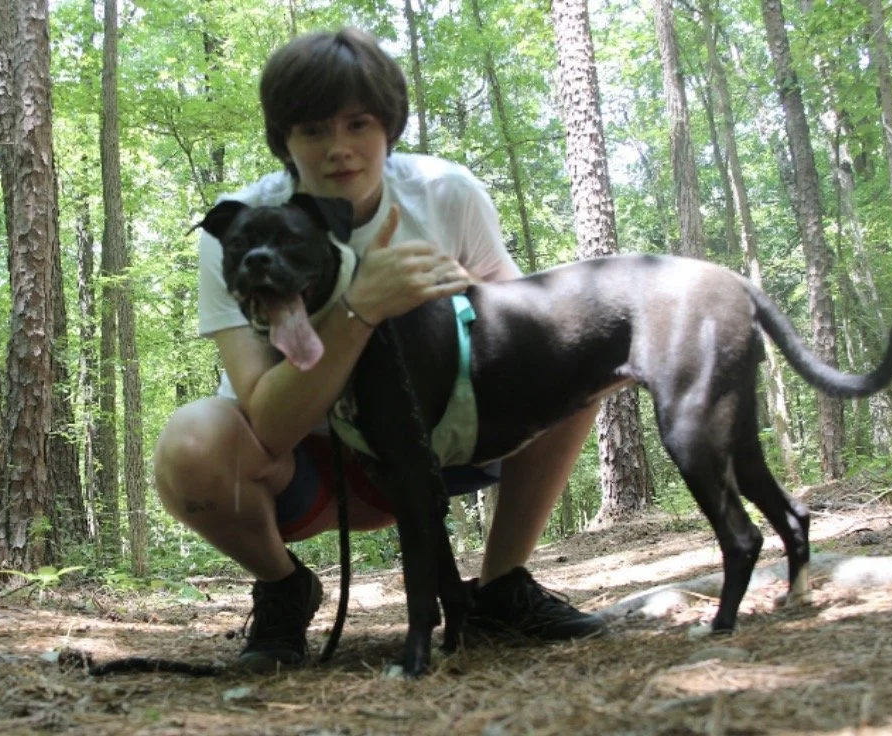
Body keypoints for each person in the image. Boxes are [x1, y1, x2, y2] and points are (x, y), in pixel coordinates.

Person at [154, 27, 604, 672]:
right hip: (305, 469)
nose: (339, 148)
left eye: (358, 123)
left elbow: (528, 337)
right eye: (312, 130)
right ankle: (285, 589)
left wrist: (465, 303)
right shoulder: (240, 226)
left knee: (575, 362)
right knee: (192, 442)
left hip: (441, 442)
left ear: (388, 126)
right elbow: (271, 425)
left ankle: (502, 584)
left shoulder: (444, 192)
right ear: (284, 140)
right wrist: (361, 306)